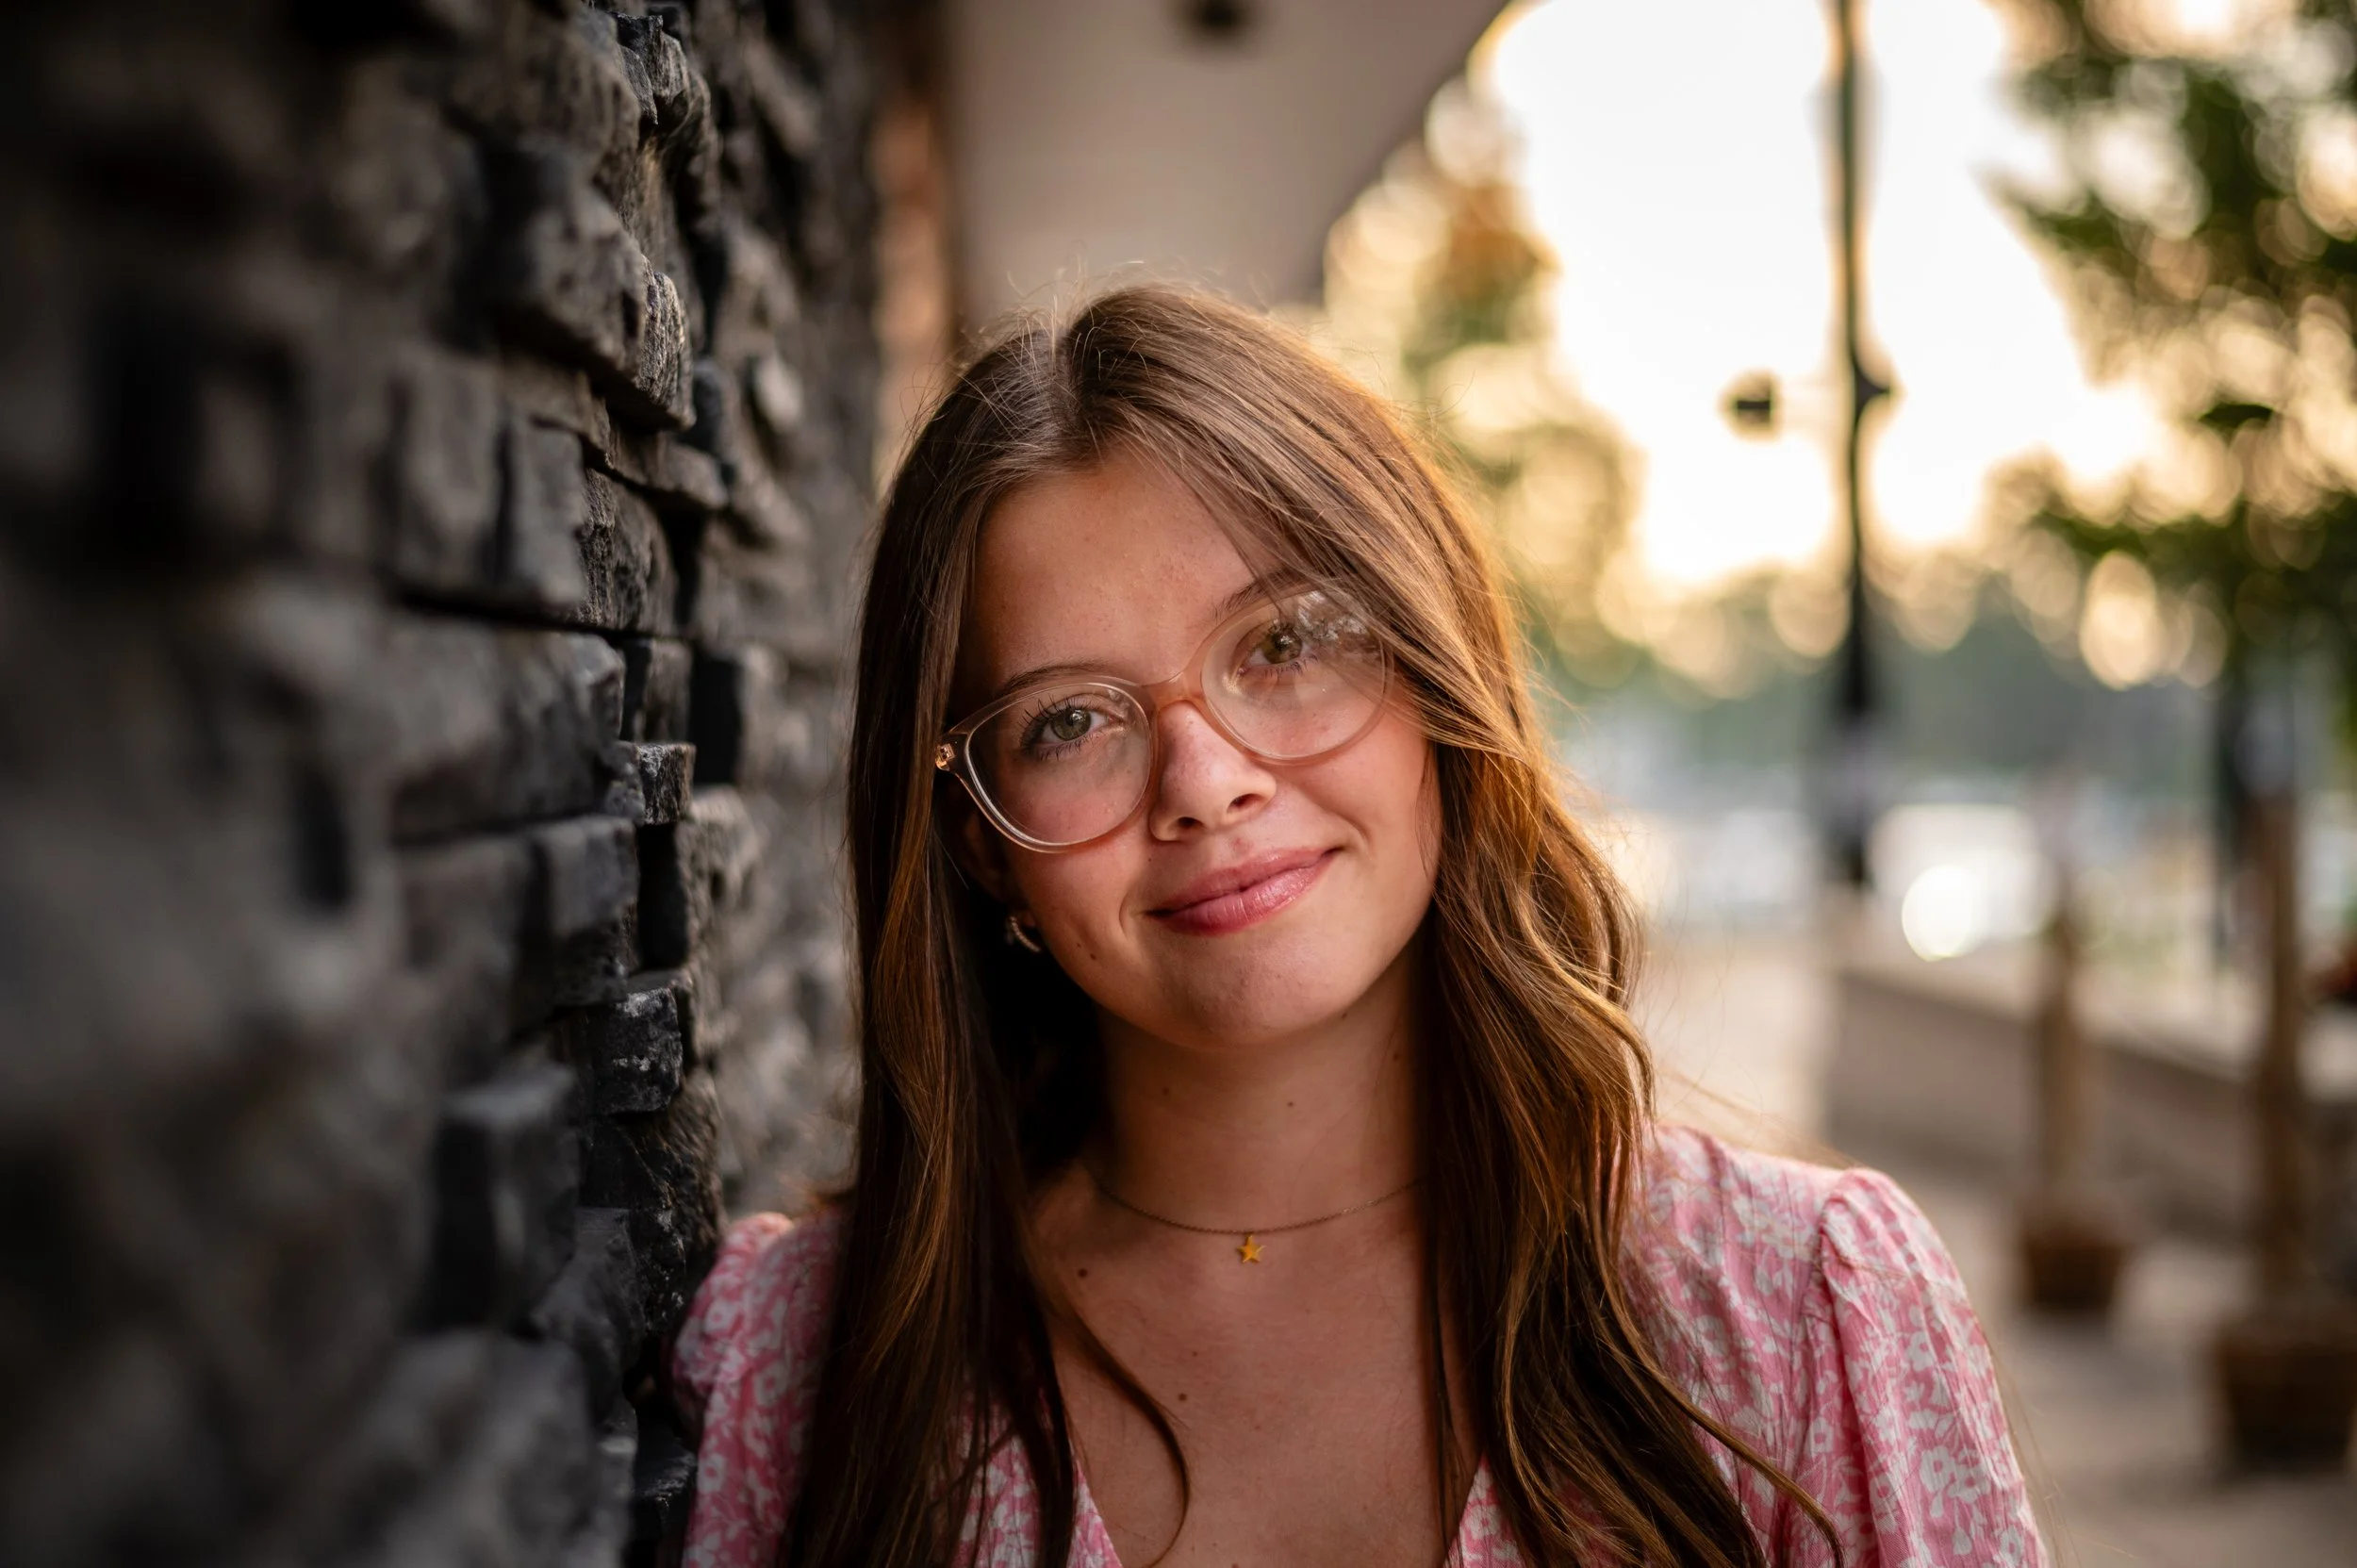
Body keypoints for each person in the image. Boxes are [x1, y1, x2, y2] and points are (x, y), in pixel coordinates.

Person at [668, 285, 2044, 1568]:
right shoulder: (799, 1365)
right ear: (979, 841)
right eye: (1070, 721)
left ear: (1438, 670)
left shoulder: (1804, 1312)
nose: (1206, 783)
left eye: (1282, 644)